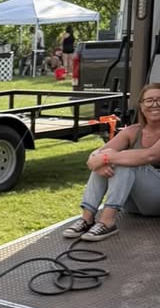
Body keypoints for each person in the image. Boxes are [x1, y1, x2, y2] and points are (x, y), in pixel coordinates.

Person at [63, 82, 160, 239]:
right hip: (132, 204)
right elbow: (94, 156)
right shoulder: (133, 131)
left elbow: (150, 156)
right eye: (149, 100)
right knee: (115, 158)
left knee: (124, 159)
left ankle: (107, 221)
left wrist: (106, 158)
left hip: (157, 201)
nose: (155, 104)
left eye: (159, 100)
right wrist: (100, 161)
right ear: (141, 106)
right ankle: (87, 218)